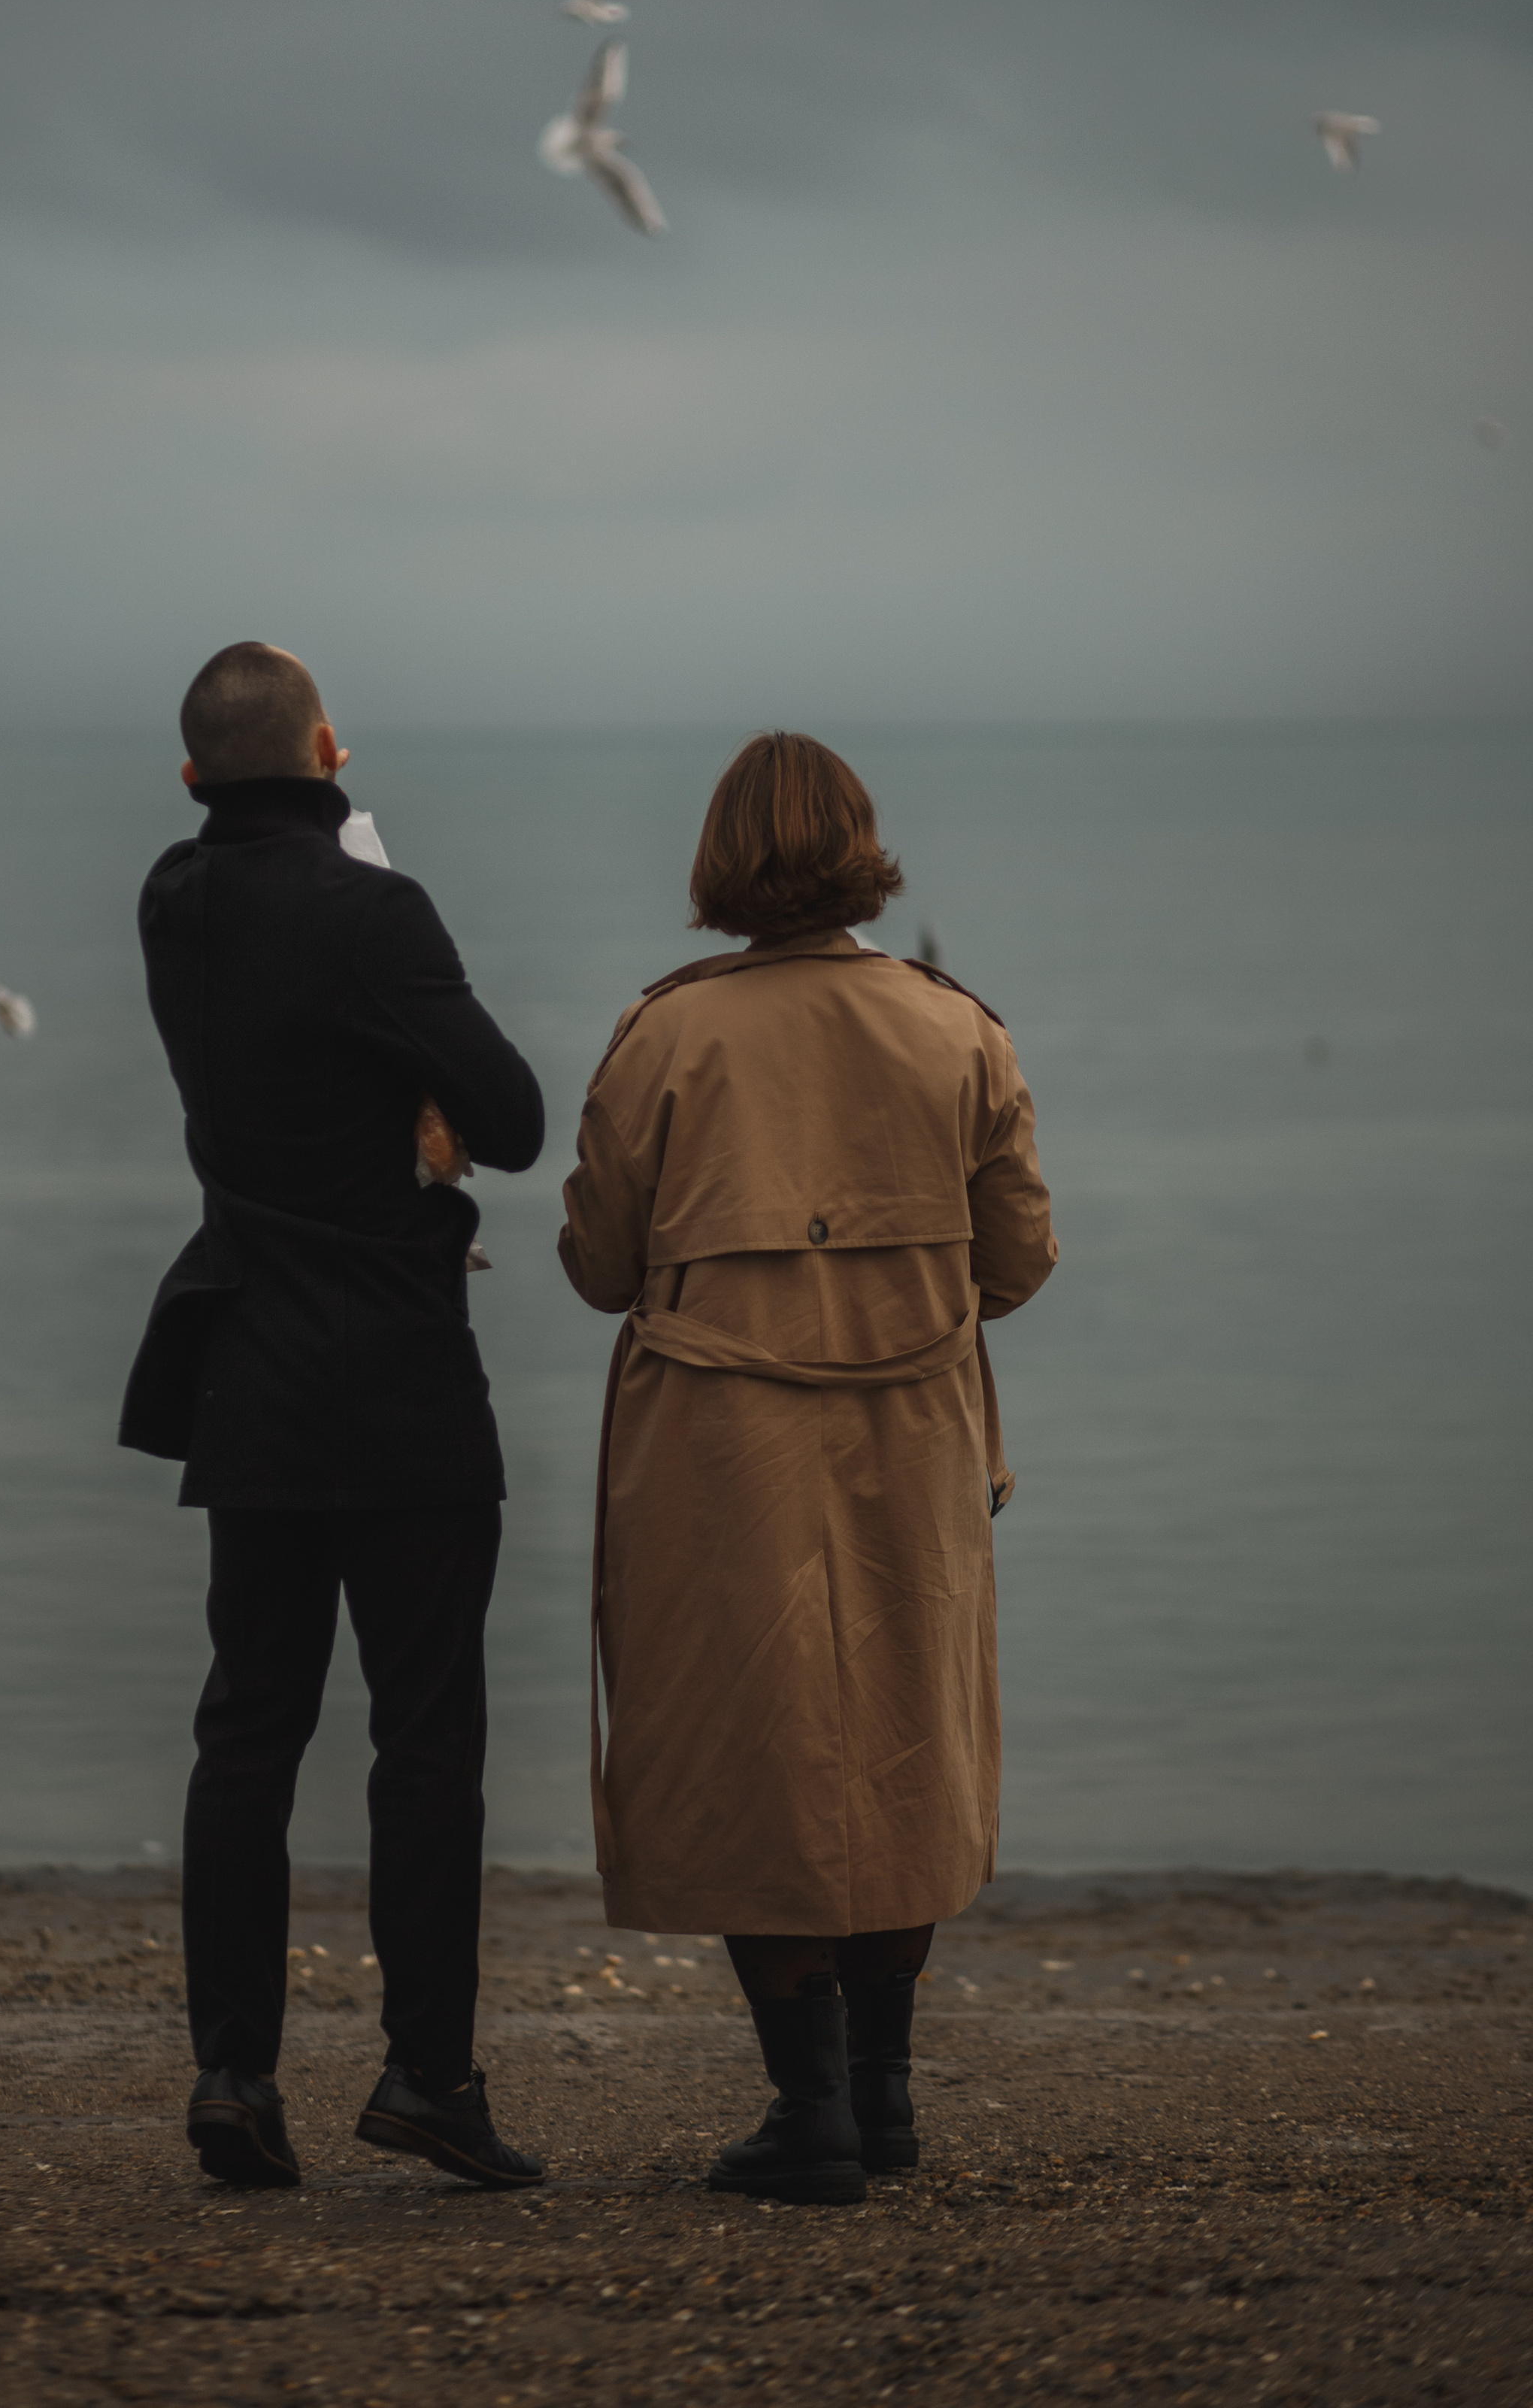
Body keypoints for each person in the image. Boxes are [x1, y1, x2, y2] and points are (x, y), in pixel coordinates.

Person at [558, 732, 1057, 2207]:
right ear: (862, 853)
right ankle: (884, 2099)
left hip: (718, 1449)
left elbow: (597, 1269)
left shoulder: (661, 1037)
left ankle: (812, 2110)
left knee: (750, 1750)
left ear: (718, 865)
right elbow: (1016, 1264)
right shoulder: (955, 1029)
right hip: (911, 1433)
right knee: (903, 1737)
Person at [120, 641, 547, 2192]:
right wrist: (419, 1107)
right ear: (332, 752)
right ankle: (428, 2076)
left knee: (247, 1731)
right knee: (423, 1743)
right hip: (400, 1382)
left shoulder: (173, 902)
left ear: (190, 780)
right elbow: (508, 1120)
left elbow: (286, 1055)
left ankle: (233, 2071)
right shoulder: (377, 912)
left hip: (251, 1374)